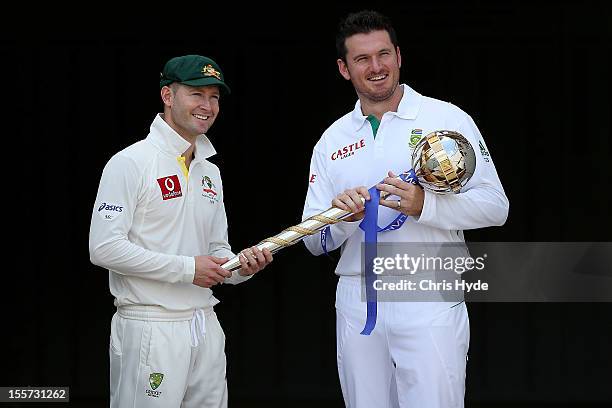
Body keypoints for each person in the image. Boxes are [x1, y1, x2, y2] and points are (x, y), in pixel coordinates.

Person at [302, 11, 509, 408]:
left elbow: (495, 207)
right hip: (357, 294)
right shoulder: (332, 139)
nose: (376, 67)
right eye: (362, 59)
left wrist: (424, 205)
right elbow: (314, 240)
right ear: (344, 69)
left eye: (383, 54)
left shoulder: (446, 118)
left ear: (398, 56)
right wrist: (343, 222)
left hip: (428, 289)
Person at [89, 54, 273, 408]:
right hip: (150, 324)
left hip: (204, 324)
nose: (207, 106)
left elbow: (217, 252)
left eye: (214, 97)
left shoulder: (209, 172)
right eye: (196, 94)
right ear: (168, 95)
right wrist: (189, 269)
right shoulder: (130, 162)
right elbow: (104, 248)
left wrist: (241, 268)